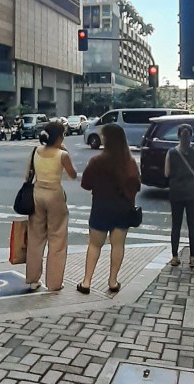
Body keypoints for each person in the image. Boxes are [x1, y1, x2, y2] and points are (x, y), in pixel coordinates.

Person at [77, 123, 140, 295]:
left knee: (95, 245)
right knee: (118, 245)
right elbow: (136, 185)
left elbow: (86, 184)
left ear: (108, 139)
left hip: (101, 208)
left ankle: (86, 281)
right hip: (122, 209)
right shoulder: (129, 162)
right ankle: (113, 281)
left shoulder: (97, 161)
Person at [25, 120, 77, 292]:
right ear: (59, 137)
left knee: (35, 237)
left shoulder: (35, 151)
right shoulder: (62, 155)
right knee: (57, 238)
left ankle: (33, 279)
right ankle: (54, 283)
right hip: (55, 195)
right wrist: (66, 151)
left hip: (37, 194)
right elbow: (73, 175)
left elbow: (28, 175)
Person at [164, 124, 194, 269]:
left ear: (178, 136)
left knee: (176, 225)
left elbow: (167, 173)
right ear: (191, 136)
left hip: (176, 192)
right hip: (192, 193)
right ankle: (192, 258)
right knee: (192, 225)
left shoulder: (171, 152)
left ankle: (175, 257)